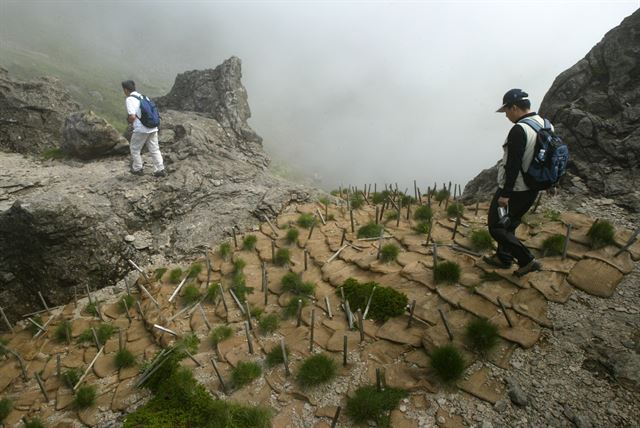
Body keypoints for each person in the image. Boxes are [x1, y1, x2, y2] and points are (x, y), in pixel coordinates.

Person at [484, 88, 544, 277]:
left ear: (515, 107)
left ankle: (527, 260)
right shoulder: (545, 123)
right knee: (510, 224)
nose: (506, 115)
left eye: (507, 111)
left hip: (516, 189)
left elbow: (513, 165)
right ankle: (504, 257)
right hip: (533, 187)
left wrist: (505, 194)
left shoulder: (519, 129)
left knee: (496, 227)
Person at [121, 80, 166, 177]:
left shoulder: (129, 99)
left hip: (141, 129)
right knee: (154, 149)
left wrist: (129, 121)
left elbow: (132, 116)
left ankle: (138, 168)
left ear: (125, 90)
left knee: (134, 148)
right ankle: (160, 169)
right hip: (153, 127)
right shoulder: (143, 97)